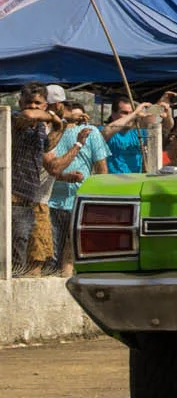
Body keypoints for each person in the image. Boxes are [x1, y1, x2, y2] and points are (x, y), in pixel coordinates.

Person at [11, 85, 83, 276]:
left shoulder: (41, 128)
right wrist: (54, 117)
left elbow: (47, 146)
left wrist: (62, 124)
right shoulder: (16, 120)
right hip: (12, 196)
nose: (33, 106)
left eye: (37, 103)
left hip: (29, 197)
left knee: (29, 252)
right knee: (16, 253)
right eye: (29, 102)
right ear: (20, 103)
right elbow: (28, 116)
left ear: (45, 104)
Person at [48, 98, 109, 272]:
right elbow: (47, 168)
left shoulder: (90, 132)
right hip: (50, 202)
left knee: (71, 252)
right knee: (51, 254)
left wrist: (101, 200)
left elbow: (102, 168)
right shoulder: (49, 131)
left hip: (79, 201)